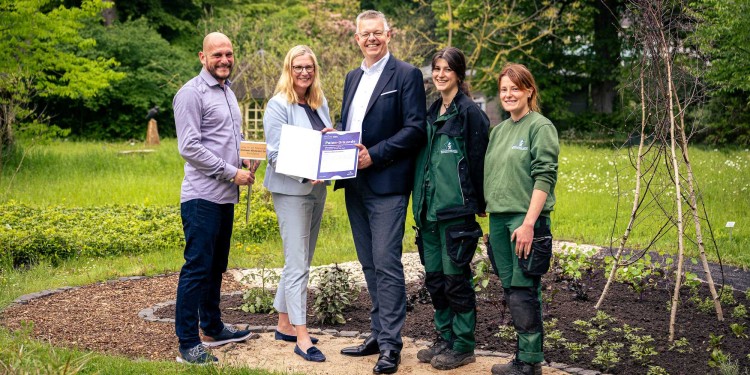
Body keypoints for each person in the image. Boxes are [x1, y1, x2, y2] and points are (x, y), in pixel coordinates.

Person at [335, 9, 426, 375]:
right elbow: (350, 125)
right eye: (365, 34)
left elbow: (416, 128)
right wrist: (334, 139)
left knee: (387, 264)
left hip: (386, 184)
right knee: (368, 262)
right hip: (353, 184)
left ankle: (391, 345)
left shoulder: (405, 75)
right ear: (356, 39)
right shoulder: (351, 77)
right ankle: (377, 333)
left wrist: (376, 154)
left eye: (377, 32)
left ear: (388, 34)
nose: (371, 39)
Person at [173, 31, 258, 365]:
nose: (224, 60)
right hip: (201, 198)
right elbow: (190, 147)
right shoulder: (190, 94)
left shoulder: (228, 91)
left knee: (215, 267)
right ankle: (188, 344)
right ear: (202, 57)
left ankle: (212, 327)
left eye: (229, 54)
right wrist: (230, 170)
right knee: (196, 268)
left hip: (225, 196)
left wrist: (245, 158)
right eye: (217, 54)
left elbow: (230, 137)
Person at [411, 47, 489, 370]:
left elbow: (479, 161)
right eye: (436, 69)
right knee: (435, 279)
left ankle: (463, 344)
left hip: (455, 212)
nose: (441, 74)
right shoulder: (430, 113)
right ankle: (443, 337)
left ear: (459, 74)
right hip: (428, 213)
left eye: (447, 69)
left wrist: (480, 204)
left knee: (456, 279)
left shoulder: (469, 113)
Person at [484, 63, 559, 375]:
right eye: (504, 89)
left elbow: (544, 177)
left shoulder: (540, 127)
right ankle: (521, 358)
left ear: (529, 90)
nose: (508, 94)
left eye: (515, 88)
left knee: (525, 290)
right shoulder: (499, 131)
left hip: (525, 221)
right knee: (512, 291)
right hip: (498, 221)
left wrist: (529, 223)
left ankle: (530, 362)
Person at [262, 45, 332, 363]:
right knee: (298, 263)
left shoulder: (319, 103)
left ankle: (284, 323)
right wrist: (307, 172)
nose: (304, 72)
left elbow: (322, 144)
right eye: (298, 67)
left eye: (309, 67)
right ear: (289, 69)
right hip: (292, 191)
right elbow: (275, 155)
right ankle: (302, 338)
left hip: (318, 191)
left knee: (300, 259)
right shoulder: (278, 105)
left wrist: (332, 141)